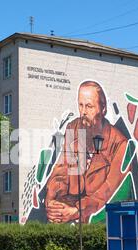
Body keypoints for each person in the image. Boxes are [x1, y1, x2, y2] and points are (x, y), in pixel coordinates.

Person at [45, 80, 129, 224]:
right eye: (80, 105)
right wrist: (53, 200)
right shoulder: (74, 128)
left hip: (100, 221)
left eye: (89, 106)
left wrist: (77, 210)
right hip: (69, 211)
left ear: (103, 109)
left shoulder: (119, 143)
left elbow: (107, 190)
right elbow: (62, 170)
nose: (83, 112)